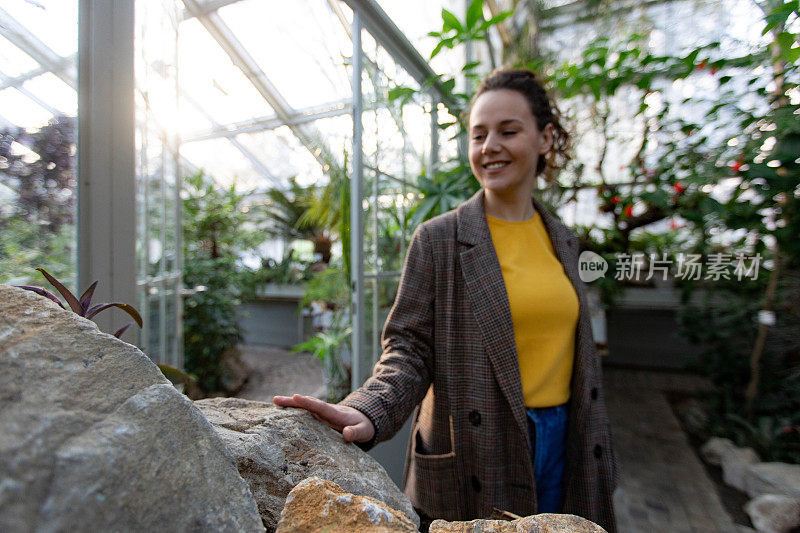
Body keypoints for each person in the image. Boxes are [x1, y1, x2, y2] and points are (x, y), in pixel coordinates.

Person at [274, 68, 618, 532]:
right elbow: (409, 348)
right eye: (478, 135)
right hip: (480, 448)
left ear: (544, 138)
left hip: (567, 440)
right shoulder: (440, 239)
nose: (489, 146)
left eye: (508, 131)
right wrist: (369, 408)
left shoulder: (564, 240)